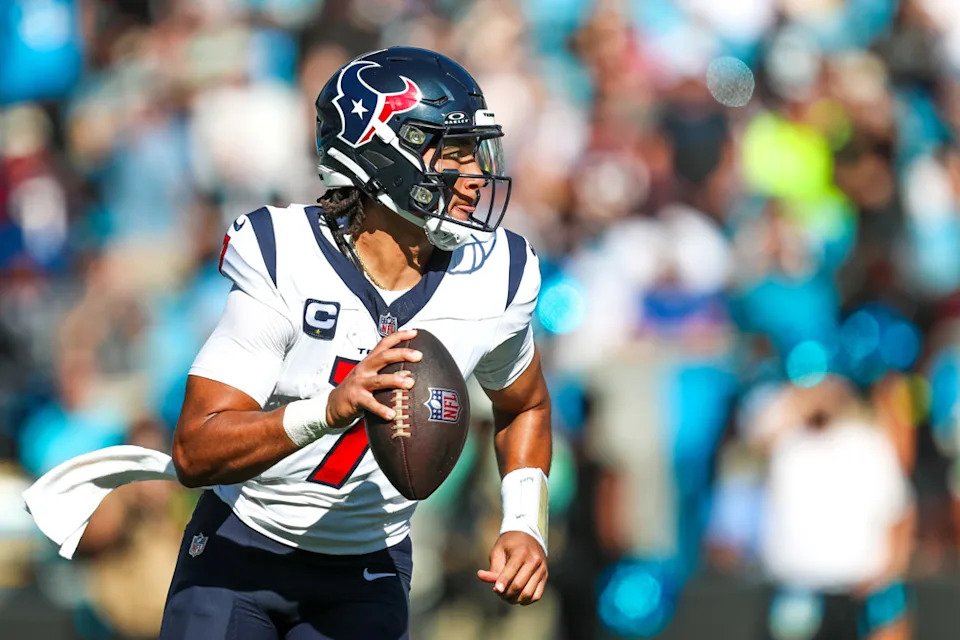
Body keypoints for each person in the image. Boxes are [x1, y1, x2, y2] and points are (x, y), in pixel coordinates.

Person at [158, 46, 552, 638]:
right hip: (241, 551)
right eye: (452, 153)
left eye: (477, 153)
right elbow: (195, 449)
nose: (474, 177)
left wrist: (524, 521)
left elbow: (525, 403)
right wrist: (329, 409)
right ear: (380, 151)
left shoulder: (497, 275)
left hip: (370, 569)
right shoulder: (285, 253)